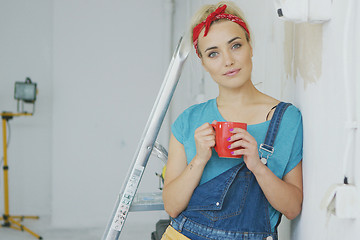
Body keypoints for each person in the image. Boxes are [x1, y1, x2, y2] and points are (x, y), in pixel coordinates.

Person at [161, 1, 303, 240]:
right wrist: (200, 158)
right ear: (204, 63)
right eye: (213, 53)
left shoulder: (287, 119)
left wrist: (257, 166)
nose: (227, 60)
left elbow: (292, 208)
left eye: (235, 45)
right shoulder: (189, 120)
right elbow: (172, 207)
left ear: (250, 47)